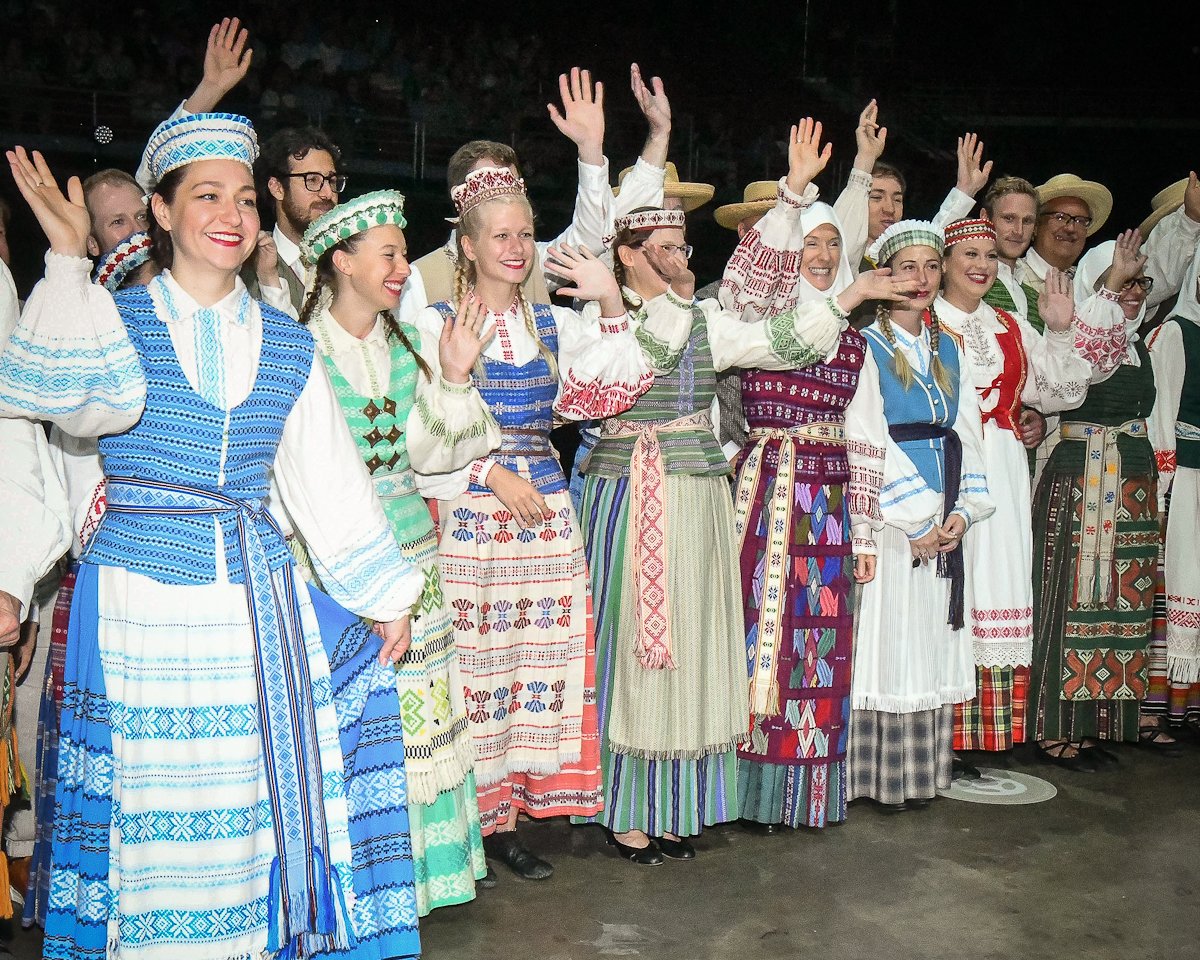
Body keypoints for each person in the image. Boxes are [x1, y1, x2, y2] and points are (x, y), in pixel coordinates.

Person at [0, 114, 424, 959]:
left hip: (251, 610)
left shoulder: (285, 343)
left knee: (244, 809)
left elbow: (326, 480)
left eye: (243, 199)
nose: (231, 215)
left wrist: (386, 597)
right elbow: (66, 410)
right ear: (161, 210)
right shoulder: (114, 319)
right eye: (205, 196)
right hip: (136, 609)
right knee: (150, 820)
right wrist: (64, 261)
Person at [582, 120, 919, 853]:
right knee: (642, 651)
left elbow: (786, 336)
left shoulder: (704, 322)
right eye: (667, 248)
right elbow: (600, 385)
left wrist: (848, 292)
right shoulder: (598, 323)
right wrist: (793, 194)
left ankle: (673, 805)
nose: (682, 258)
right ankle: (624, 807)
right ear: (629, 256)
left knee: (698, 647)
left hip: (699, 495)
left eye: (684, 247)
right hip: (635, 491)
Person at [414, 165, 674, 881]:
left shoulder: (552, 322)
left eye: (525, 234)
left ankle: (512, 817)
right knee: (475, 668)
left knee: (536, 661)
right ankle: (477, 819)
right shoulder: (432, 321)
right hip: (473, 509)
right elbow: (417, 433)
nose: (518, 247)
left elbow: (615, 385)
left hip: (548, 512)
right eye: (500, 235)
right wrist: (488, 473)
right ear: (466, 245)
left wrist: (614, 304)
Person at [294, 189, 502, 914]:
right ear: (341, 262)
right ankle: (357, 885)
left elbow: (440, 456)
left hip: (413, 553)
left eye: (402, 252)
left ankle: (416, 881)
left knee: (419, 709)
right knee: (351, 711)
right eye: (387, 253)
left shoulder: (407, 346)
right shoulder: (302, 350)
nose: (401, 266)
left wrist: (453, 375)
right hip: (329, 560)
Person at [848, 220, 994, 812]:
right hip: (894, 513)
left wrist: (962, 510)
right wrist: (914, 519)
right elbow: (866, 433)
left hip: (944, 499)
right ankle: (879, 778)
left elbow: (966, 429)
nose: (921, 279)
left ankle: (921, 774)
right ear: (884, 275)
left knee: (928, 636)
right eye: (906, 267)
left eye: (931, 267)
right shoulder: (866, 347)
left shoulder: (947, 347)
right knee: (891, 635)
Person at [933, 218, 1091, 755]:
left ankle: (976, 735)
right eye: (967, 255)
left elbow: (1063, 391)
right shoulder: (924, 321)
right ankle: (933, 735)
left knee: (994, 580)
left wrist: (1059, 329)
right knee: (944, 589)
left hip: (1001, 463)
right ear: (945, 262)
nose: (980, 265)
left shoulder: (1009, 325)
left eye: (988, 255)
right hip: (942, 465)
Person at [1030, 231, 1167, 770]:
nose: (1132, 292)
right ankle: (1055, 728)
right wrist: (1108, 288)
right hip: (1081, 476)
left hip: (1130, 480)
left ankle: (1096, 723)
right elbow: (1084, 372)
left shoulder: (1136, 341)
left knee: (1119, 608)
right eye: (1122, 281)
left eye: (1139, 282)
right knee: (1069, 599)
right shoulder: (1084, 332)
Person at [399, 64, 672, 326]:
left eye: (511, 187)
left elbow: (594, 236)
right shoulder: (419, 279)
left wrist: (592, 149)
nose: (506, 200)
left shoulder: (530, 261)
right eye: (492, 188)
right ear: (461, 201)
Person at [833, 102, 990, 270]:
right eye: (877, 197)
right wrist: (865, 159)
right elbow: (844, 240)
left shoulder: (901, 257)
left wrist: (965, 190)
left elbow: (932, 238)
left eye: (898, 199)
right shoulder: (841, 257)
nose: (890, 209)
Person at [1148, 232, 1200, 733]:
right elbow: (1161, 413)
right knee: (1180, 581)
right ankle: (1166, 707)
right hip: (1185, 480)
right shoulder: (1176, 334)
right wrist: (1163, 487)